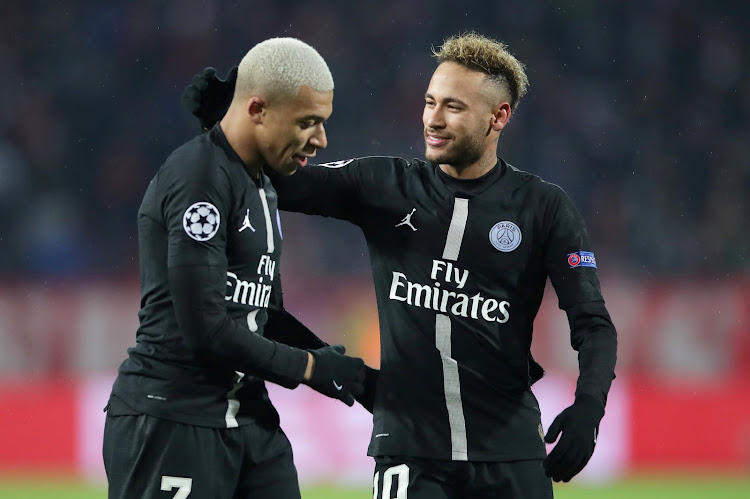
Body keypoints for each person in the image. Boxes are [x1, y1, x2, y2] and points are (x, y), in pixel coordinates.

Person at [185, 32, 617, 498]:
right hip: (409, 454)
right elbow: (283, 181)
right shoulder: (385, 185)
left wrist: (588, 409)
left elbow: (593, 323)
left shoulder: (545, 208)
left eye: (453, 107)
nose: (433, 118)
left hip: (511, 453)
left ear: (499, 116)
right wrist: (228, 127)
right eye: (430, 102)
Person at [103, 37, 369, 499]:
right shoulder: (199, 178)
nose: (321, 139)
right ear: (258, 109)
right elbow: (205, 330)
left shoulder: (263, 185)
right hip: (173, 417)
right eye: (309, 122)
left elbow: (266, 315)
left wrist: (357, 379)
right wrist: (310, 368)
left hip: (248, 420)